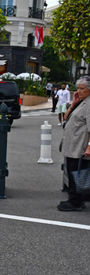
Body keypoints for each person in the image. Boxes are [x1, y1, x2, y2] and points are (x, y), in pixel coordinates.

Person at [58, 77, 90, 211]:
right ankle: (74, 199)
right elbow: (66, 117)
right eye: (78, 88)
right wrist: (74, 103)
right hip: (72, 146)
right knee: (72, 172)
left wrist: (89, 146)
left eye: (82, 88)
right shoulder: (82, 103)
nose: (79, 91)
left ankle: (75, 202)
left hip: (79, 147)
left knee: (77, 174)